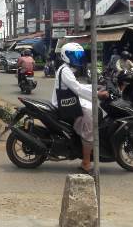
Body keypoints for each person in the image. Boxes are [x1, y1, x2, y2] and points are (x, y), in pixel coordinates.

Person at [52, 43, 105, 174]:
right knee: (89, 119)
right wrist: (97, 93)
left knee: (91, 109)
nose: (77, 58)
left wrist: (95, 86)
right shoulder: (65, 71)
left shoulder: (68, 70)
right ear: (66, 56)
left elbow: (77, 86)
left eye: (79, 55)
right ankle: (86, 162)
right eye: (74, 55)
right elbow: (78, 89)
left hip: (69, 100)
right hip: (64, 103)